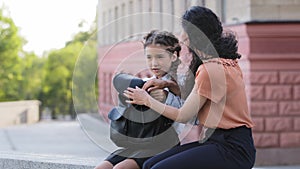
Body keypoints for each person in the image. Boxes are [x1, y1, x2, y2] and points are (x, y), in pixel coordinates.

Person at [124, 6, 256, 169]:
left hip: (231, 149)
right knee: (150, 164)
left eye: (185, 30)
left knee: (158, 168)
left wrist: (146, 100)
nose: (181, 36)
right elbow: (202, 98)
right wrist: (169, 85)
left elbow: (183, 115)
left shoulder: (209, 69)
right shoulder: (226, 62)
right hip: (222, 141)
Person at [94, 30, 183, 169]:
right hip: (140, 141)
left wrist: (166, 97)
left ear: (174, 56)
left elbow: (189, 115)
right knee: (102, 167)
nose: (154, 63)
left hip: (164, 144)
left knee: (121, 168)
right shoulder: (145, 82)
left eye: (160, 57)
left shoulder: (182, 84)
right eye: (149, 57)